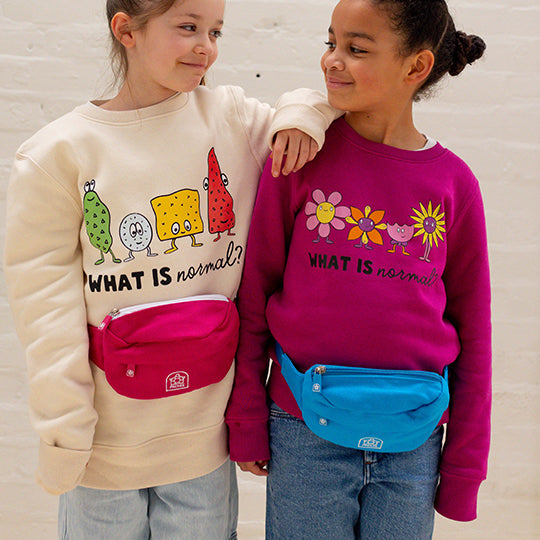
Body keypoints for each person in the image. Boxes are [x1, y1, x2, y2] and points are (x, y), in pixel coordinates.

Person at [3, 0, 340, 538]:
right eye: (187, 27)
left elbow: (311, 105)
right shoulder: (57, 154)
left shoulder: (231, 119)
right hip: (105, 447)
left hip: (202, 441)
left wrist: (302, 117)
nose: (205, 45)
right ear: (126, 29)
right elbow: (46, 313)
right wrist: (65, 434)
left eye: (215, 31)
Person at [226, 0, 491, 538]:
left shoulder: (454, 184)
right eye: (331, 43)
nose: (332, 61)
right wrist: (247, 418)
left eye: (356, 49)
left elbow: (475, 332)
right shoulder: (298, 158)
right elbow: (254, 296)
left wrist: (464, 468)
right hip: (303, 431)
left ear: (415, 67)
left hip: (413, 442)